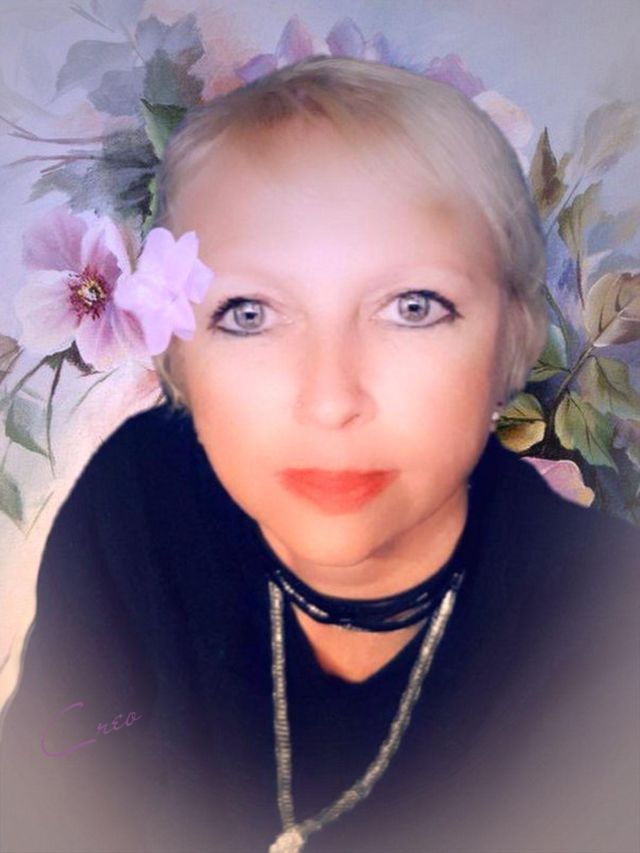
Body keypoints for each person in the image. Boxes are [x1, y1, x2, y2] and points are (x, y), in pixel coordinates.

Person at [1, 55, 639, 853]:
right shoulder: (138, 503)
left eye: (413, 307)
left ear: (514, 337)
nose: (331, 399)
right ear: (179, 357)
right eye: (250, 313)